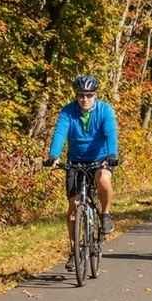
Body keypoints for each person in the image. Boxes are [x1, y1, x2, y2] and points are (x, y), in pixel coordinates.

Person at [43, 75, 119, 272]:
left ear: (95, 95)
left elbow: (110, 133)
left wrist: (112, 154)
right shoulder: (68, 111)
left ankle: (105, 214)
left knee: (103, 179)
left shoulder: (105, 111)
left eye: (89, 95)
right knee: (73, 208)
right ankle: (75, 249)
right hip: (76, 160)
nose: (84, 99)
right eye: (80, 95)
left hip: (101, 158)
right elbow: (60, 132)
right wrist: (53, 155)